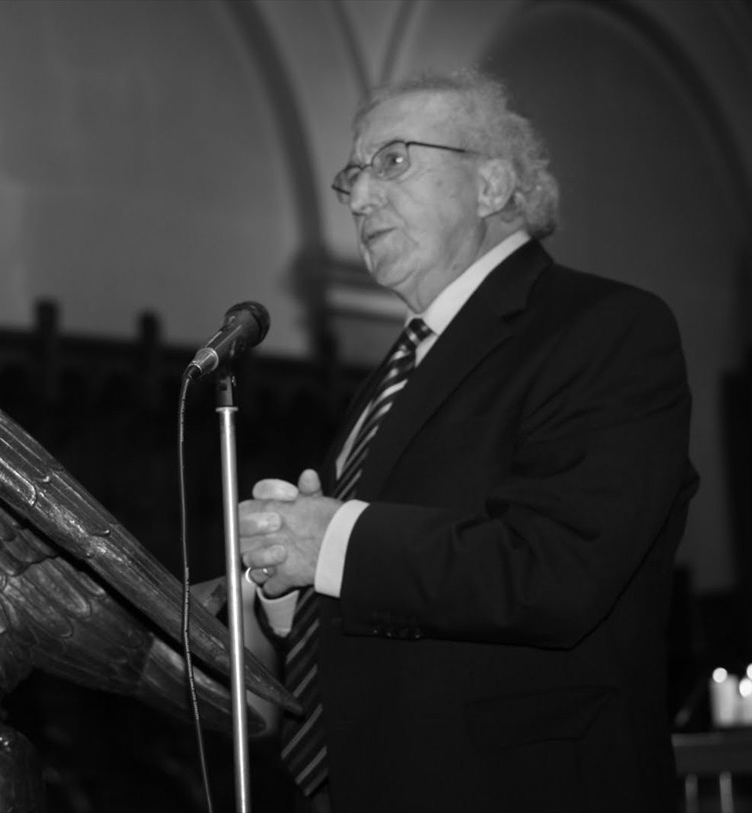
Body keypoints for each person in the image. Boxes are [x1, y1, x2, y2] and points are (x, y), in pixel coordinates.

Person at [238, 68, 697, 813]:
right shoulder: (398, 369)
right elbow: (388, 587)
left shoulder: (604, 328)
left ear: (490, 186)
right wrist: (293, 587)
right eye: (351, 176)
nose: (359, 197)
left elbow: (557, 572)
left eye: (392, 160)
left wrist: (334, 540)